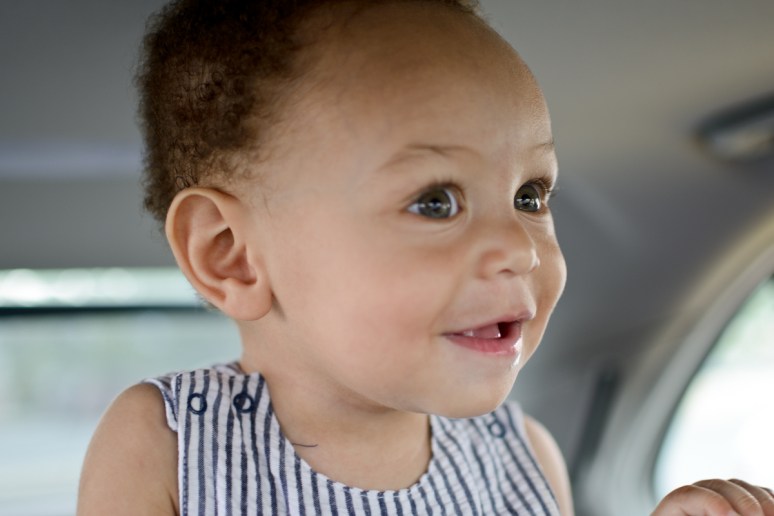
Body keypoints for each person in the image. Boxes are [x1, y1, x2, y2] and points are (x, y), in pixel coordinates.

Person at [77, 1, 774, 515]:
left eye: (531, 195)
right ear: (232, 256)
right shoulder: (169, 441)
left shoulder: (520, 461)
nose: (517, 246)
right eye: (435, 201)